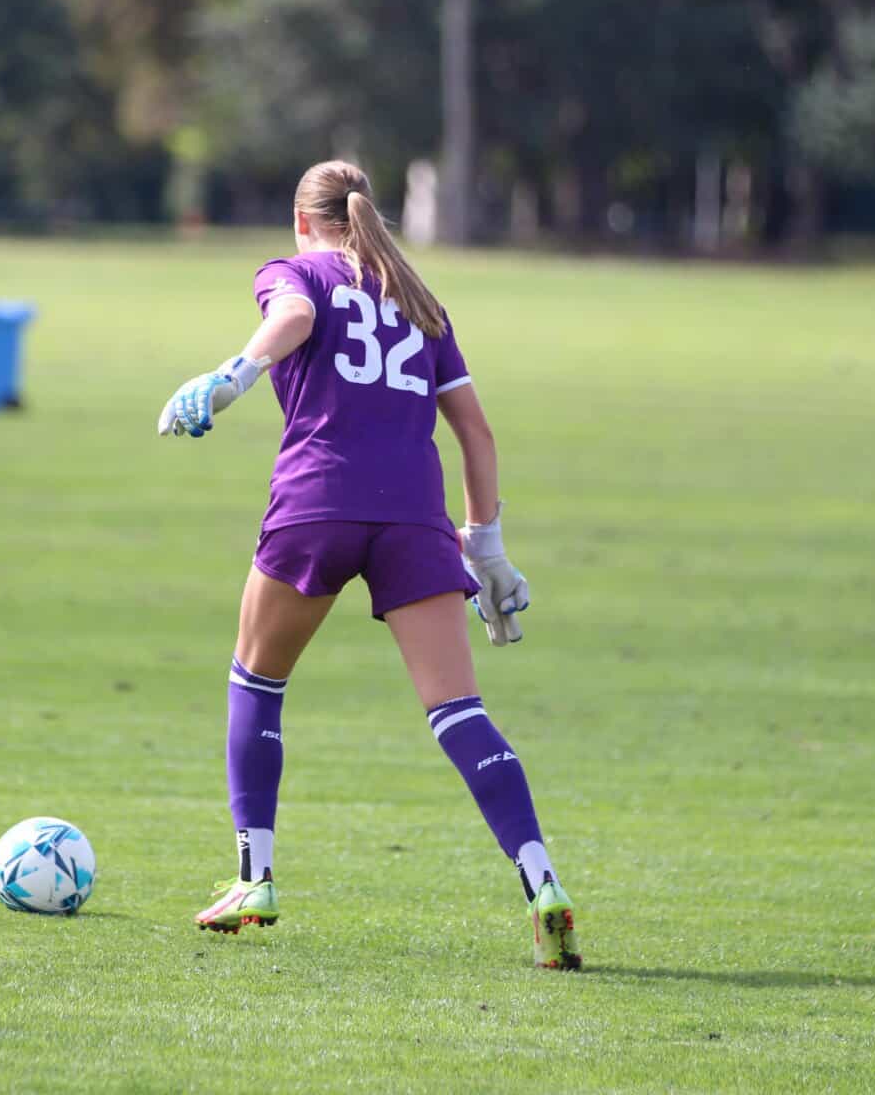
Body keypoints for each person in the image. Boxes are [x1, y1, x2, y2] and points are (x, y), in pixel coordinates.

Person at [155, 160, 581, 970]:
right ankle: (542, 882)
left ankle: (257, 879)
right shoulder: (422, 301)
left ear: (300, 219)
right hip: (417, 516)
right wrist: (485, 545)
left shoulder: (295, 270)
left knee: (257, 680)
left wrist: (228, 379)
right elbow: (477, 436)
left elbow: (291, 312)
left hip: (318, 501)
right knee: (458, 711)